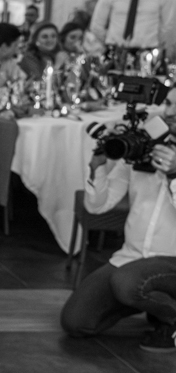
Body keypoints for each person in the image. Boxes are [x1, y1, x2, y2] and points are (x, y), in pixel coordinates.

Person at [60, 85, 176, 351]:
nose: (170, 112)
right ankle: (152, 305)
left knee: (127, 282)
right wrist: (98, 166)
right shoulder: (145, 145)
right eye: (169, 104)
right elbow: (97, 206)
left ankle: (168, 316)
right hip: (131, 257)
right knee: (75, 322)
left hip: (172, 261)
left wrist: (174, 174)